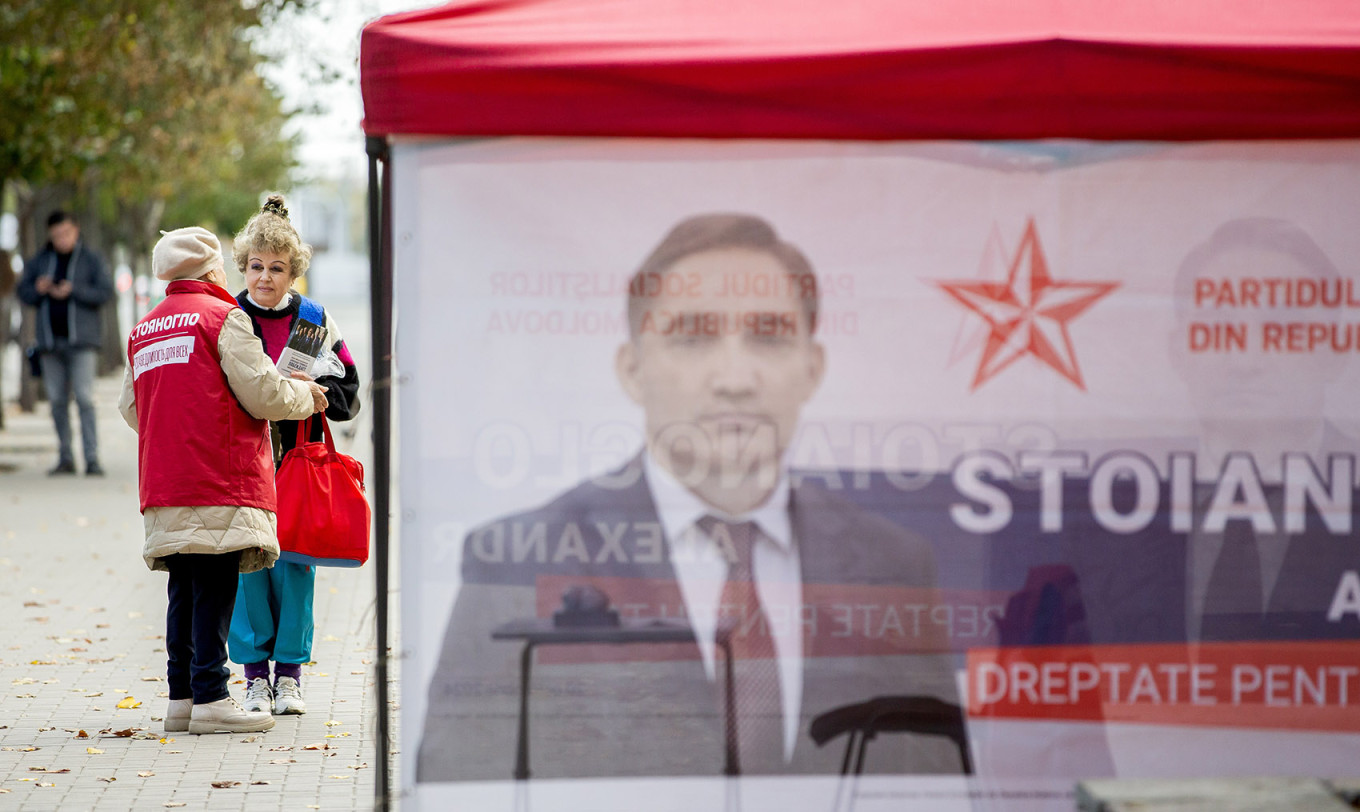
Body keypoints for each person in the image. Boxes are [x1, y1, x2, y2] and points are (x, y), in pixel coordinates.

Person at [418, 213, 960, 781]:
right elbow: (462, 777)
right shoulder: (517, 557)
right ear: (633, 368)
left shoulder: (893, 562)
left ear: (812, 367)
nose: (733, 377)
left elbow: (933, 775)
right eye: (693, 336)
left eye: (769, 335)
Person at [117, 227, 328, 734]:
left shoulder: (145, 328)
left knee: (183, 588)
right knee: (215, 582)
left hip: (165, 478)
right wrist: (307, 397)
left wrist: (177, 423)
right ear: (212, 269)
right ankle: (212, 696)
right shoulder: (222, 317)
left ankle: (181, 699)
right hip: (219, 475)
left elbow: (130, 407)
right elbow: (261, 395)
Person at [226, 195, 362, 718]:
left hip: (298, 462)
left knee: (296, 568)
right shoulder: (229, 316)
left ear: (293, 272)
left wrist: (318, 381)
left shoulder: (312, 319)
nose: (265, 277)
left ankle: (290, 678)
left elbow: (350, 391)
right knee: (247, 569)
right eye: (256, 266)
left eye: (277, 268)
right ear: (244, 266)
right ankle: (254, 678)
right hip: (241, 463)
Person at [17, 210, 114, 475]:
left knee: (84, 398)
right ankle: (65, 457)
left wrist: (74, 290)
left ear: (76, 229)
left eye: (66, 233)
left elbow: (105, 291)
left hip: (82, 341)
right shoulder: (40, 260)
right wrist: (38, 289)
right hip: (49, 342)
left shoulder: (90, 258)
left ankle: (92, 458)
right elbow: (23, 293)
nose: (62, 238)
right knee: (57, 401)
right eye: (56, 234)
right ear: (50, 234)